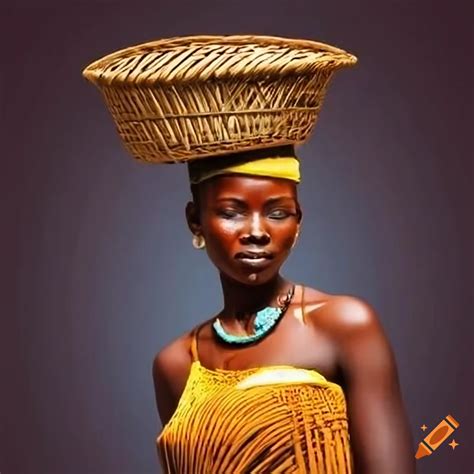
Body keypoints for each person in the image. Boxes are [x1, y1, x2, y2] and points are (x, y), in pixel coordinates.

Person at [83, 35, 415, 473]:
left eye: (278, 213)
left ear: (298, 221)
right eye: (232, 212)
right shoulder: (176, 364)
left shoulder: (344, 326)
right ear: (195, 221)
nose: (257, 232)